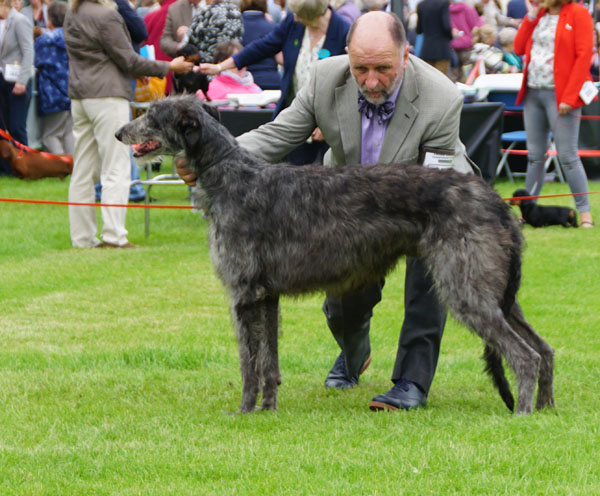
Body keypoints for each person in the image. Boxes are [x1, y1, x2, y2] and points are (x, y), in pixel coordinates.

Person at [179, 11, 475, 411]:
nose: (371, 81)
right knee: (342, 303)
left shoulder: (441, 96)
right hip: (346, 207)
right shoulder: (324, 78)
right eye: (361, 68)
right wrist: (213, 159)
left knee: (426, 285)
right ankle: (355, 352)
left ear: (405, 56)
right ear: (347, 55)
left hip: (424, 202)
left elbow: (436, 180)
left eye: (383, 68)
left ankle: (411, 381)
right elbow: (278, 135)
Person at [64, 0, 193, 249]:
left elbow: (107, 56)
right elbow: (129, 59)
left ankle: (82, 238)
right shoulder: (106, 16)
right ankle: (114, 236)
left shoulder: (73, 12)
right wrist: (169, 66)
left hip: (80, 95)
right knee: (116, 165)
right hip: (107, 95)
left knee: (83, 170)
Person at [197, 0, 349, 165]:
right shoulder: (293, 23)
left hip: (328, 124)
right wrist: (219, 67)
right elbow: (262, 47)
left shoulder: (342, 31)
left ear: (315, 15)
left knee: (327, 180)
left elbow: (346, 83)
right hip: (296, 114)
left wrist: (327, 122)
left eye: (300, 16)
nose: (295, 19)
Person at [514, 0, 595, 227]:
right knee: (534, 156)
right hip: (533, 93)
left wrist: (569, 97)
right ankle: (526, 212)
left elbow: (584, 56)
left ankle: (585, 213)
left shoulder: (578, 14)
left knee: (568, 156)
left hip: (561, 96)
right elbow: (518, 48)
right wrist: (529, 19)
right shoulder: (538, 14)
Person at [34, 1, 73, 155]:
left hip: (52, 95)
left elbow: (37, 62)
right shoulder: (73, 38)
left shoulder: (45, 41)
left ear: (50, 20)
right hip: (72, 92)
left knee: (50, 135)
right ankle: (73, 165)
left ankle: (59, 166)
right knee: (69, 133)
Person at [0, 0, 33, 176]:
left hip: (18, 82)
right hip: (1, 80)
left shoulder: (19, 21)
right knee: (1, 128)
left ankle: (25, 167)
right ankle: (5, 169)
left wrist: (22, 80)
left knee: (16, 127)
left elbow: (28, 51)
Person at [198, 40, 262, 100]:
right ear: (221, 63)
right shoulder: (211, 89)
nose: (241, 65)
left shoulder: (254, 87)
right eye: (236, 62)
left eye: (243, 61)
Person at [240, 0, 281, 90]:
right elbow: (280, 59)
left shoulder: (236, 26)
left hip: (245, 83)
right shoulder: (273, 27)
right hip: (271, 81)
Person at [416, 0, 453, 78]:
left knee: (429, 81)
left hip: (426, 50)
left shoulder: (421, 5)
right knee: (441, 81)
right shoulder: (444, 4)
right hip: (442, 49)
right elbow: (446, 26)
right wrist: (451, 36)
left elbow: (419, 30)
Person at [449, 0, 483, 82]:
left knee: (454, 75)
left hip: (452, 46)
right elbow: (475, 25)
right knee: (467, 74)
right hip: (467, 47)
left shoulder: (447, 11)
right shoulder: (468, 9)